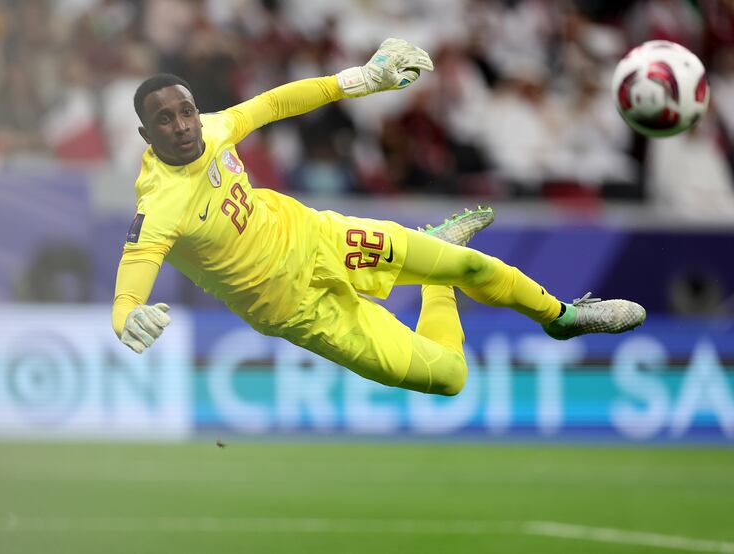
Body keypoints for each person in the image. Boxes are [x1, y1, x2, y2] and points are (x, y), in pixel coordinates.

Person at [112, 38, 646, 396]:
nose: (184, 125)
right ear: (146, 135)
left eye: (185, 111)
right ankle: (437, 281)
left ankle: (563, 318)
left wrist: (362, 78)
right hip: (298, 309)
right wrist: (127, 319)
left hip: (320, 238)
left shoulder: (213, 127)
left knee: (472, 267)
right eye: (165, 119)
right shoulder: (160, 206)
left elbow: (273, 103)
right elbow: (129, 287)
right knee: (452, 377)